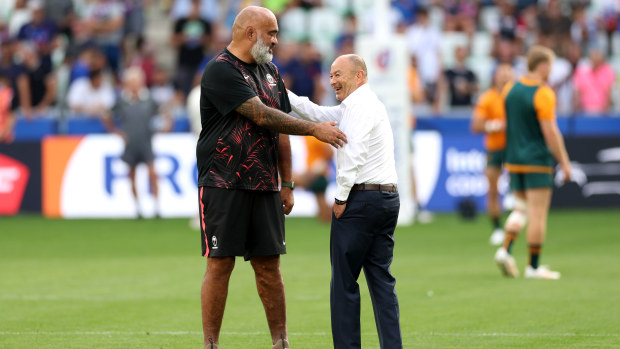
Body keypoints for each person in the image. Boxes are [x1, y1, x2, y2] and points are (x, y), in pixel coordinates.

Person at [197, 6, 346, 349]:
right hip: (223, 183)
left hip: (264, 184)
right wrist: (314, 129)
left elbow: (280, 130)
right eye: (272, 33)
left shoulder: (271, 72)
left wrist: (288, 182)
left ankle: (281, 343)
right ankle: (210, 344)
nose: (277, 41)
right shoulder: (220, 71)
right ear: (250, 33)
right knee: (220, 266)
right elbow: (263, 116)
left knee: (269, 267)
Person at [288, 54, 402, 349]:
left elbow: (353, 154)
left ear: (360, 76)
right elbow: (314, 112)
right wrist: (279, 91)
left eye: (339, 74)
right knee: (381, 282)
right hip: (385, 198)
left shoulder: (360, 106)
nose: (332, 80)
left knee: (344, 285)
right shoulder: (357, 105)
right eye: (330, 75)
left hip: (361, 200)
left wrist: (340, 198)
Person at [494, 45, 571, 280]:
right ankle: (533, 267)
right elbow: (551, 133)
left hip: (514, 159)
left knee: (521, 209)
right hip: (537, 160)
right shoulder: (544, 92)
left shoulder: (510, 90)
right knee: (538, 214)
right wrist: (565, 163)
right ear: (543, 65)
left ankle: (505, 250)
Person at [103, 67, 170, 218]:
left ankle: (157, 207)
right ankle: (138, 207)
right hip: (131, 143)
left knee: (152, 173)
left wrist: (166, 127)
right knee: (132, 175)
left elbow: (164, 112)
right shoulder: (122, 101)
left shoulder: (148, 99)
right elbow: (107, 114)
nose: (134, 85)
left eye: (136, 81)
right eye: (131, 82)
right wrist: (115, 130)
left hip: (146, 141)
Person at [471, 63, 514, 245]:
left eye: (508, 73)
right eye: (501, 73)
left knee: (520, 186)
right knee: (493, 189)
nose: (504, 76)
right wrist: (494, 125)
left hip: (514, 146)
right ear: (495, 76)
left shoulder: (516, 95)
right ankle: (497, 228)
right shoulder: (487, 98)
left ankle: (514, 223)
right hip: (494, 147)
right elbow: (476, 125)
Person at [293, 136, 334, 223]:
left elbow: (329, 152)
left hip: (318, 175)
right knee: (324, 213)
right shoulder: (306, 137)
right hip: (315, 174)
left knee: (287, 180)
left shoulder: (314, 136)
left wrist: (317, 168)